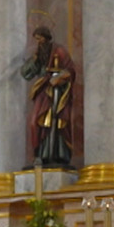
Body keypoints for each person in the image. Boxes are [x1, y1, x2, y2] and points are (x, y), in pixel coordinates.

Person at [20, 26, 77, 167]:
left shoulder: (59, 51)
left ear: (46, 38)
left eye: (40, 39)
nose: (38, 42)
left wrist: (59, 77)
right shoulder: (39, 54)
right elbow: (26, 74)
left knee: (55, 123)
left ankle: (57, 154)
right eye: (36, 40)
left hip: (58, 91)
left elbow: (71, 70)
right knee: (36, 122)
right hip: (43, 91)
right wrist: (33, 61)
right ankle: (39, 154)